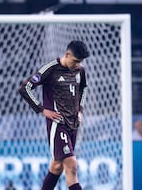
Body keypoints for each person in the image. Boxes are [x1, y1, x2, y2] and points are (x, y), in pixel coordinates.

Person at [18, 40, 89, 190]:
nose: (77, 65)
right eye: (76, 61)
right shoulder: (50, 69)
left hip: (73, 124)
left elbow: (83, 89)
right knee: (72, 166)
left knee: (57, 166)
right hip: (58, 124)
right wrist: (42, 109)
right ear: (67, 54)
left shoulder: (80, 71)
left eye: (80, 62)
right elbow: (25, 88)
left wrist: (80, 110)